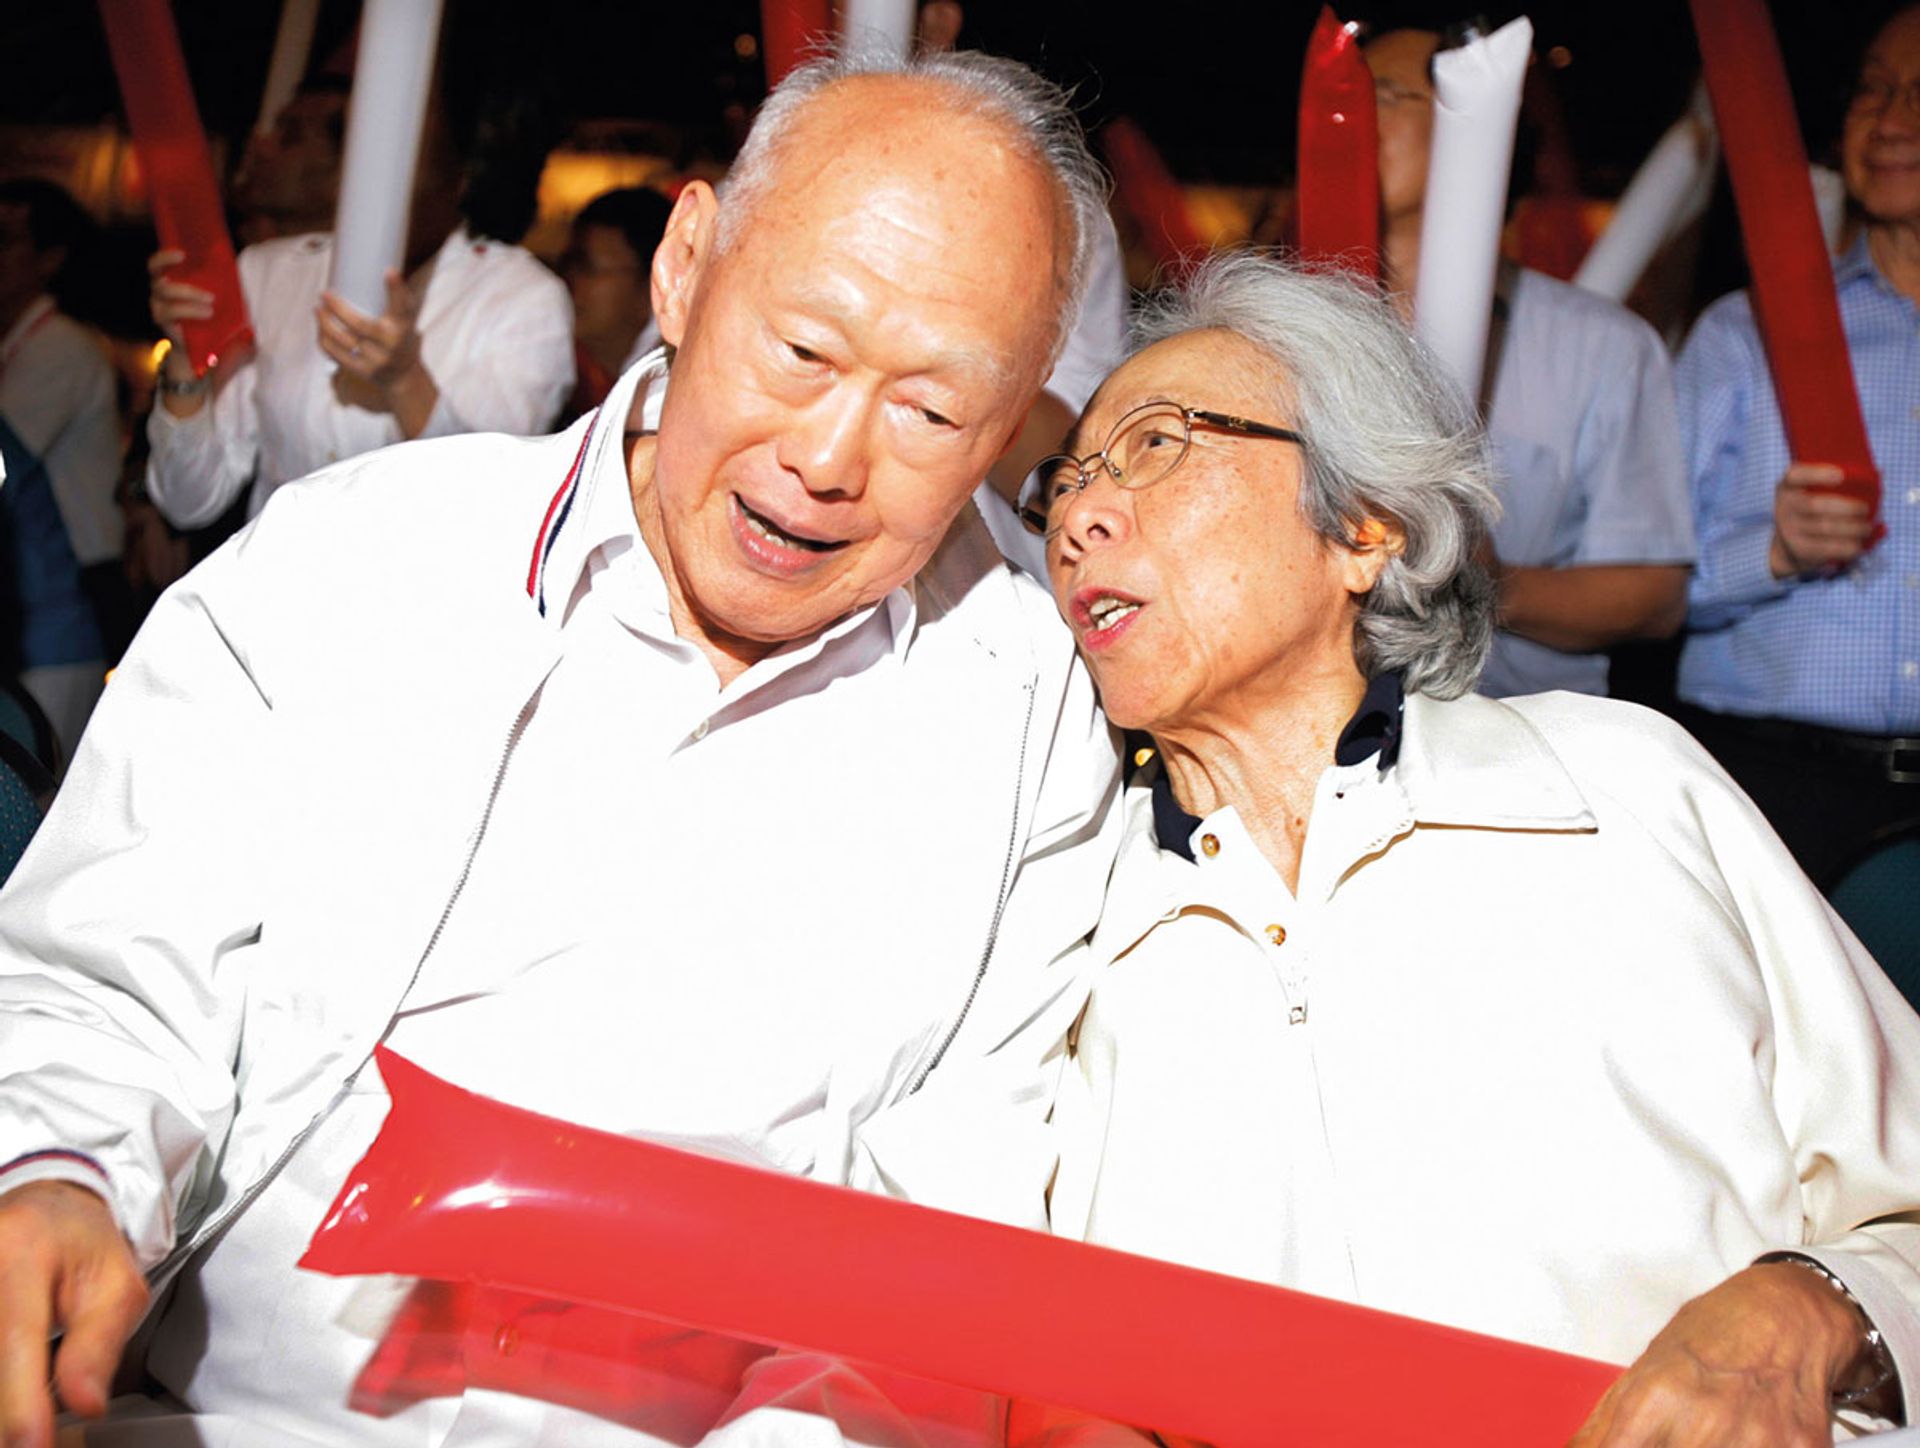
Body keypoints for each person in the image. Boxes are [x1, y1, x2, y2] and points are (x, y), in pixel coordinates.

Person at [0, 44, 1120, 1448]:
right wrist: (53, 1176)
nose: (832, 458)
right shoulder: (355, 563)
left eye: (933, 410)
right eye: (804, 351)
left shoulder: (1024, 724)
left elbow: (941, 1240)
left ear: (1013, 423)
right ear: (687, 266)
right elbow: (109, 982)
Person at [1020, 252, 1920, 1445]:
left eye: (1158, 445)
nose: (1078, 516)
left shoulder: (1618, 791)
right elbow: (1051, 1362)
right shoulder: (1068, 928)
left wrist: (1797, 1318)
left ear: (1363, 526)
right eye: (1067, 481)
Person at [1367, 25, 1695, 699]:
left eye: (1387, 95)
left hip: (1511, 737)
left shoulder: (1599, 347)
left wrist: (1485, 580)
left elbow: (1652, 595)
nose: (1350, 119)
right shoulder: (1273, 330)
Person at [1673, 2, 1920, 891]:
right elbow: (1641, 583)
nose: (1891, 122)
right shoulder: (1746, 334)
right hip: (1773, 795)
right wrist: (1771, 552)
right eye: (1873, 93)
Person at [144, 83, 574, 530]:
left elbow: (489, 502)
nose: (380, 181)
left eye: (408, 158)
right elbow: (189, 500)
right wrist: (183, 358)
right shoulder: (270, 271)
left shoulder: (522, 297)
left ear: (460, 175)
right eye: (368, 155)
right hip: (276, 586)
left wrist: (405, 380)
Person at [0, 179, 123, 764]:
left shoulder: (60, 349)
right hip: (34, 612)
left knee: (33, 797)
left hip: (57, 618)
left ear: (50, 260)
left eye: (6, 240)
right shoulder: (22, 346)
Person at [562, 185, 675, 420]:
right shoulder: (566, 371)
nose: (569, 281)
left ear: (653, 283)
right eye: (567, 264)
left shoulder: (669, 399)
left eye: (586, 267)